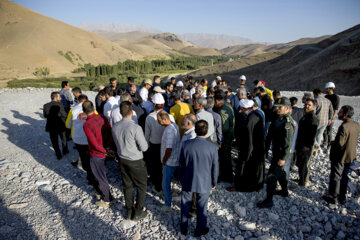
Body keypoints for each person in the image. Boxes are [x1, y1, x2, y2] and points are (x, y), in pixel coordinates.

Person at [179, 120, 218, 237]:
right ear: (206, 132)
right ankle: (200, 230)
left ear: (195, 130)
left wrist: (180, 177)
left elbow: (181, 163)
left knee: (185, 204)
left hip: (188, 179)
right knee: (202, 207)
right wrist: (214, 181)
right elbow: (215, 166)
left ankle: (183, 228)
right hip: (204, 181)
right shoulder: (212, 147)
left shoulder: (186, 145)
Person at [112, 101, 149, 220]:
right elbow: (144, 147)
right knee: (141, 185)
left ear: (120, 112)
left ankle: (129, 210)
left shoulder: (115, 126)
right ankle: (138, 211)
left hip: (122, 159)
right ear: (132, 112)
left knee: (127, 185)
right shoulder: (135, 127)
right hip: (135, 160)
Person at [257, 97, 295, 208]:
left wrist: (283, 158)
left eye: (280, 107)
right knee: (281, 173)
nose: (277, 109)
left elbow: (287, 144)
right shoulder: (279, 118)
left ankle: (269, 200)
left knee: (271, 176)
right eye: (276, 107)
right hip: (275, 151)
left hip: (280, 154)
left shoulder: (287, 123)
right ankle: (284, 191)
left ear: (287, 108)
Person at [323, 105, 360, 205]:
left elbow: (340, 143)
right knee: (344, 176)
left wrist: (332, 143)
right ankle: (342, 197)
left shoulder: (343, 126)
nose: (338, 113)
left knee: (336, 176)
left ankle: (333, 197)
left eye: (340, 112)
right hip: (350, 156)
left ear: (345, 115)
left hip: (340, 156)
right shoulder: (356, 125)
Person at [227, 99, 265, 192]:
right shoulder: (256, 115)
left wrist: (248, 152)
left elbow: (249, 137)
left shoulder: (250, 119)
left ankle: (241, 186)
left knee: (244, 167)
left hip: (249, 148)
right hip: (256, 148)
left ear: (243, 108)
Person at [82, 101, 114, 208]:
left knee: (100, 177)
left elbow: (94, 143)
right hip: (105, 149)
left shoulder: (87, 125)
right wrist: (108, 147)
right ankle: (100, 192)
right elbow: (110, 131)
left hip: (97, 153)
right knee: (100, 174)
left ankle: (107, 200)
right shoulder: (102, 117)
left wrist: (104, 151)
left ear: (84, 111)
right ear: (94, 107)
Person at [145, 93, 175, 194]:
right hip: (167, 145)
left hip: (155, 145)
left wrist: (146, 147)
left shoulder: (149, 117)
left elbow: (147, 135)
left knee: (156, 166)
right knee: (166, 165)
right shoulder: (170, 116)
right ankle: (167, 185)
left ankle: (158, 186)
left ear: (154, 105)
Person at [65, 95, 96, 184]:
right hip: (91, 138)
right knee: (93, 157)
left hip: (79, 139)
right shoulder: (93, 109)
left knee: (84, 157)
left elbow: (67, 125)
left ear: (78, 101)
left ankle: (89, 175)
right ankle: (95, 174)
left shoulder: (72, 110)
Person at [157, 110, 181, 211]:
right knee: (172, 180)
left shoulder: (170, 130)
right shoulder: (173, 125)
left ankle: (167, 204)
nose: (158, 122)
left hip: (169, 161)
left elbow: (169, 149)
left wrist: (164, 160)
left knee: (165, 183)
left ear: (165, 119)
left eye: (159, 120)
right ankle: (173, 195)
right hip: (175, 159)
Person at [295, 99, 319, 187]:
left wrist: (307, 146)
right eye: (305, 104)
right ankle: (301, 178)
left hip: (305, 145)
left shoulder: (313, 118)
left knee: (303, 164)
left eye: (309, 105)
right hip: (300, 143)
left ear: (313, 107)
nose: (306, 106)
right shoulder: (306, 116)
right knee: (300, 163)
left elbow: (312, 134)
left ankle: (302, 181)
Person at [213, 90, 235, 183]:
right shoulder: (228, 106)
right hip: (230, 135)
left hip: (226, 137)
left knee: (224, 157)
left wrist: (218, 139)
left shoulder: (222, 111)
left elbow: (223, 128)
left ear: (217, 101)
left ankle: (227, 177)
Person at [43, 92, 69, 160]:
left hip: (51, 126)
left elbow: (45, 115)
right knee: (63, 138)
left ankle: (58, 154)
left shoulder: (45, 105)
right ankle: (65, 150)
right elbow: (64, 115)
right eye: (59, 97)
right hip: (60, 125)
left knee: (54, 141)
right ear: (55, 97)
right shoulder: (59, 105)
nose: (60, 98)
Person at [313, 89, 333, 155]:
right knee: (319, 134)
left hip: (317, 121)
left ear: (314, 94)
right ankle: (317, 148)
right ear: (321, 93)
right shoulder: (328, 100)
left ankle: (315, 146)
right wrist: (329, 119)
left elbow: (313, 111)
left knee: (313, 134)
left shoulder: (316, 100)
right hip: (325, 121)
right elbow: (331, 111)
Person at [323, 82, 340, 151]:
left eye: (326, 89)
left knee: (329, 131)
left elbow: (336, 109)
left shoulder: (336, 97)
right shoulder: (326, 97)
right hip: (325, 116)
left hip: (331, 117)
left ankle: (329, 145)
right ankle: (325, 142)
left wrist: (332, 118)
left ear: (331, 88)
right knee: (324, 130)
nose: (325, 90)